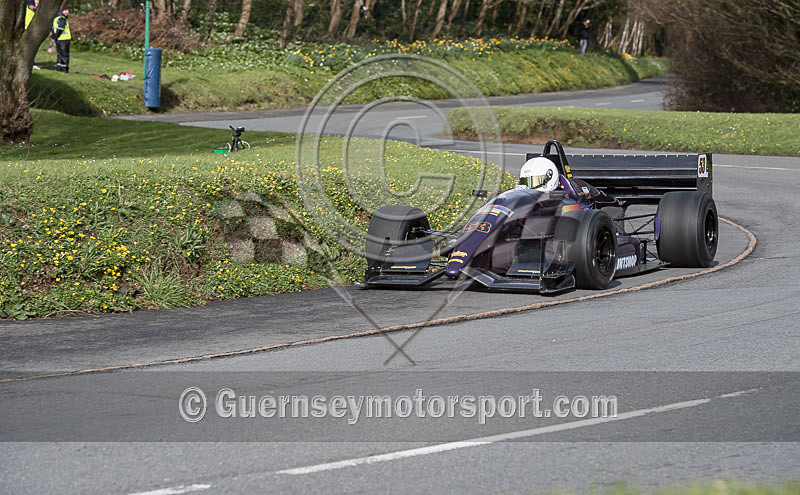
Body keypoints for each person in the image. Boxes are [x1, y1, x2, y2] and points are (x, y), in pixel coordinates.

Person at [52, 5, 71, 73]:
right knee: (64, 55)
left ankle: (59, 67)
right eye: (65, 10)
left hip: (59, 40)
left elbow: (53, 29)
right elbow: (60, 28)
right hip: (64, 40)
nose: (67, 12)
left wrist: (54, 37)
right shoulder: (62, 18)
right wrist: (56, 36)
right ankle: (64, 69)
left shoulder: (56, 18)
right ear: (61, 11)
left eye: (67, 10)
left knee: (60, 54)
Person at [25, 0, 41, 70]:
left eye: (38, 4)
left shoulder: (36, 12)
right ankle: (31, 63)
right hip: (27, 31)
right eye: (35, 4)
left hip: (32, 32)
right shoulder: (27, 10)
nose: (36, 5)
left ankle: (32, 63)